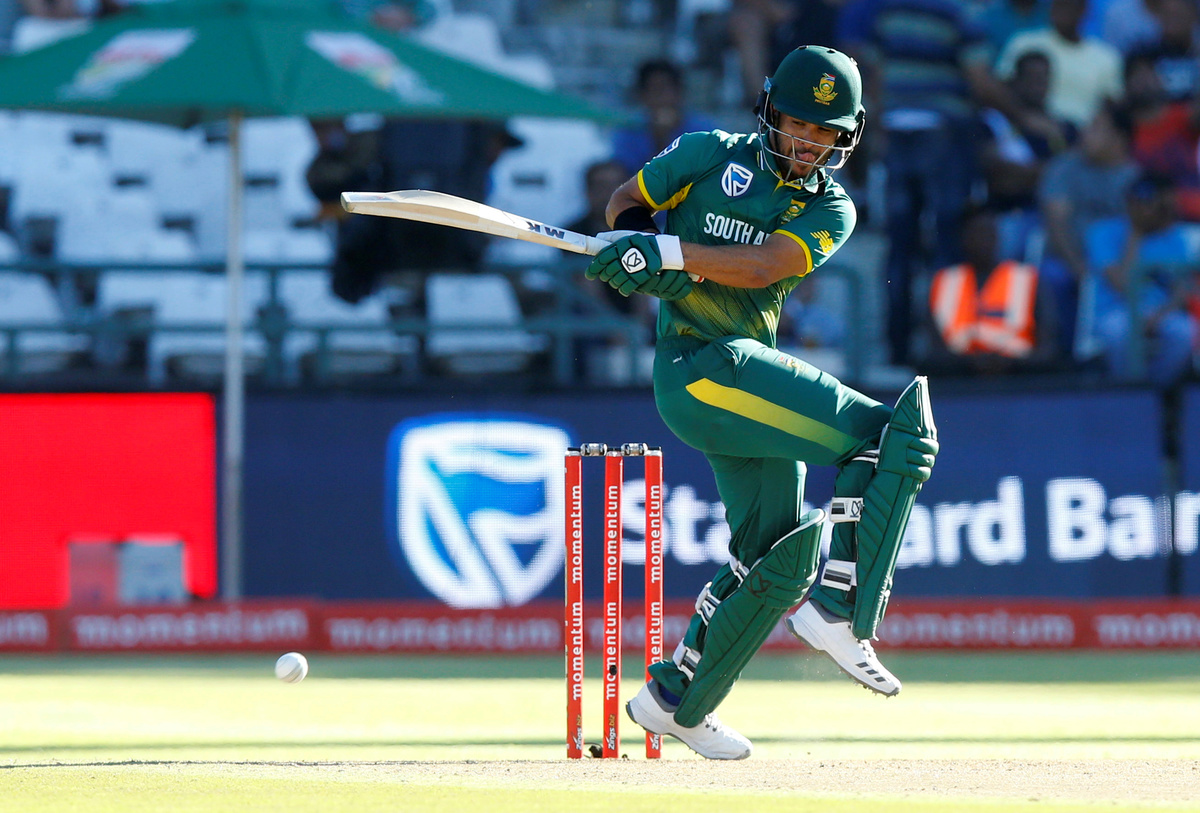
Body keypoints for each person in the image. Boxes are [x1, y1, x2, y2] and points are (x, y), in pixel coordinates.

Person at [584, 45, 938, 760]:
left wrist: (671, 257)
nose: (809, 142)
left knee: (778, 557)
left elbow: (762, 266)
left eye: (825, 131)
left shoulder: (831, 206)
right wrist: (639, 245)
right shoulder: (706, 153)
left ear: (847, 136)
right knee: (892, 437)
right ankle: (844, 607)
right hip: (699, 368)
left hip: (740, 381)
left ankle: (677, 699)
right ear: (769, 110)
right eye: (798, 123)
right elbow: (625, 202)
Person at [1081, 171, 1198, 384]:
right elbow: (1121, 284)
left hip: (1161, 312)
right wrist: (1136, 231)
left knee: (1186, 332)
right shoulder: (1103, 232)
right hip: (1116, 310)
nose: (1148, 210)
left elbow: (1182, 290)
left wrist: (1159, 316)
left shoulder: (1174, 237)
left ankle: (1155, 390)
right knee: (1118, 333)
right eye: (1139, 203)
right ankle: (1128, 389)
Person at [610, 59, 718, 178]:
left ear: (679, 92)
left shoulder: (704, 130)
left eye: (666, 89)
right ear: (642, 95)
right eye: (654, 90)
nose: (661, 97)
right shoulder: (629, 131)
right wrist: (660, 139)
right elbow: (627, 178)